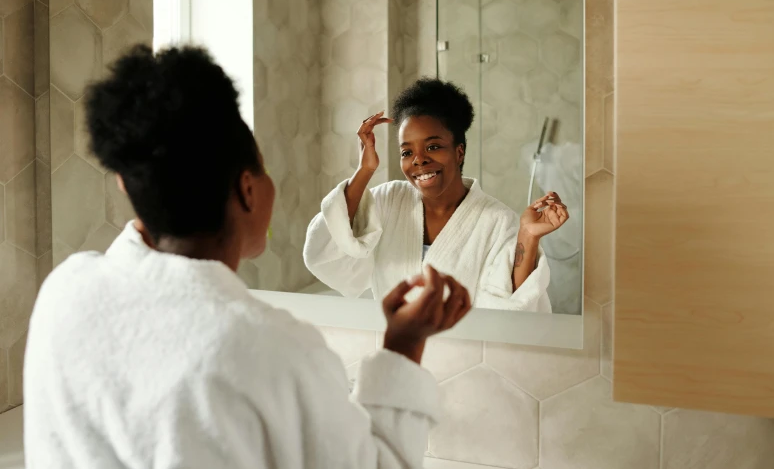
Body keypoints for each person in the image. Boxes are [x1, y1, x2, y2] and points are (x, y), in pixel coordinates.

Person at [23, 45, 471, 469]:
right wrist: (403, 346)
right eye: (264, 168)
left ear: (125, 185)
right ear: (248, 189)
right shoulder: (275, 350)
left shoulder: (65, 292)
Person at [304, 78, 569, 312]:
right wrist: (365, 169)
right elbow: (329, 248)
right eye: (407, 152)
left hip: (460, 360)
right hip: (393, 350)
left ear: (459, 152)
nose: (418, 160)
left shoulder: (497, 220)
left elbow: (511, 307)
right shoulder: (388, 200)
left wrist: (528, 235)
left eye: (433, 146)